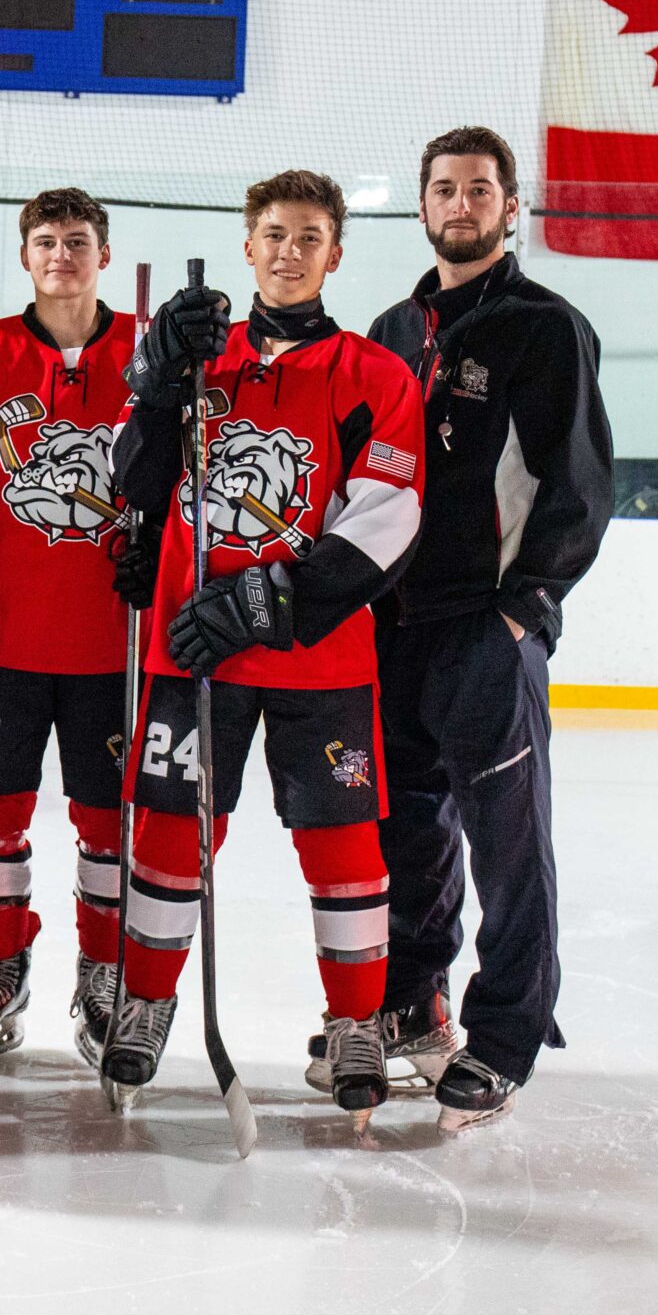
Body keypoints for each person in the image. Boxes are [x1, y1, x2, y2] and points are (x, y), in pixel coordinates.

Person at [105, 169, 426, 1125]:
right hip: (188, 651)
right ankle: (148, 999)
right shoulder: (192, 360)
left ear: (335, 253)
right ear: (247, 245)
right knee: (169, 834)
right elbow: (135, 481)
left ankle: (357, 1023)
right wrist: (159, 385)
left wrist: (264, 599)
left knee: (342, 842)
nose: (288, 251)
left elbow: (388, 515)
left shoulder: (375, 374)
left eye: (309, 236)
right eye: (273, 233)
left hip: (314, 657)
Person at [365, 125, 612, 1132]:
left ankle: (504, 1035)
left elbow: (581, 484)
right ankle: (410, 1000)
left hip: (484, 626)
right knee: (407, 830)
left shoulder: (544, 328)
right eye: (442, 188)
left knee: (507, 840)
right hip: (391, 626)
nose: (459, 204)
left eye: (478, 189)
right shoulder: (388, 329)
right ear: (420, 206)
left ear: (510, 207)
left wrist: (524, 608)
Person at [0, 188, 139, 1058]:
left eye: (78, 241)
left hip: (110, 642)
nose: (62, 255)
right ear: (25, 257)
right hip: (4, 638)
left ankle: (103, 968)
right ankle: (0, 964)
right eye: (46, 241)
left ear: (103, 255)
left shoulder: (148, 353)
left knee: (108, 820)